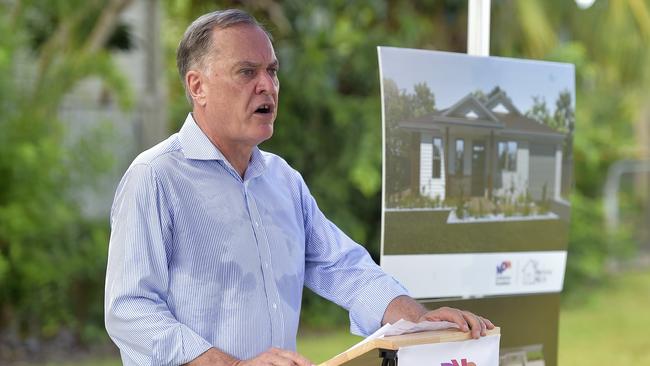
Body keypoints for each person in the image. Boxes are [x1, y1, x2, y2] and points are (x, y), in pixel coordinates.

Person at [104, 9, 494, 366]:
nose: (267, 86)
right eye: (246, 72)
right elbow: (130, 310)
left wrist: (419, 320)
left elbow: (343, 268)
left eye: (272, 71)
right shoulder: (155, 177)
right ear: (197, 86)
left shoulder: (283, 180)